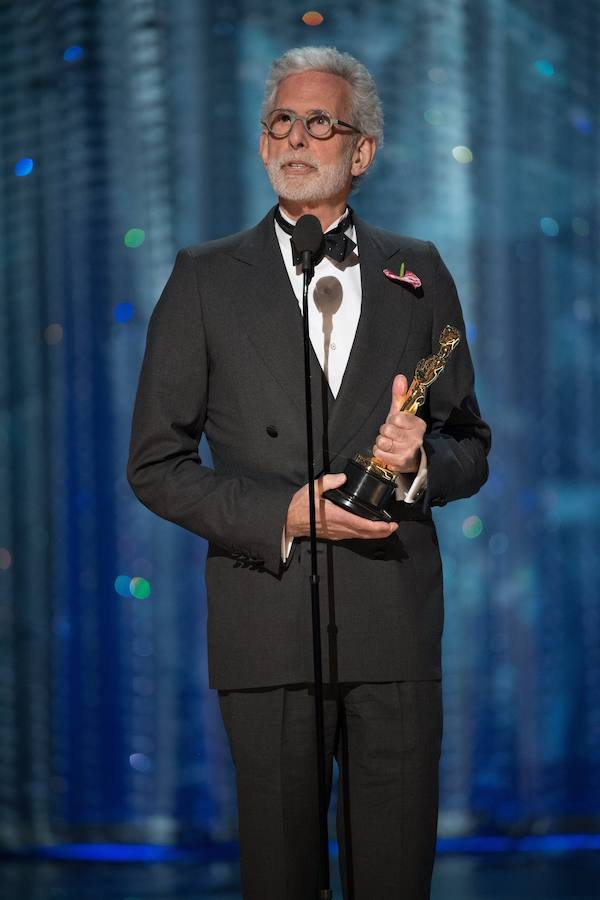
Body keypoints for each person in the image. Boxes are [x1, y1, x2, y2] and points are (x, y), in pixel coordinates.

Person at [127, 45, 491, 900]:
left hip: (392, 624)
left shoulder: (418, 270)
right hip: (268, 628)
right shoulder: (205, 278)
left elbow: (469, 444)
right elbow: (155, 465)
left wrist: (417, 468)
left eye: (319, 122)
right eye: (280, 122)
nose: (296, 138)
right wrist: (283, 515)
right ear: (261, 145)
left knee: (396, 878)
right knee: (281, 880)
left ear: (360, 152)